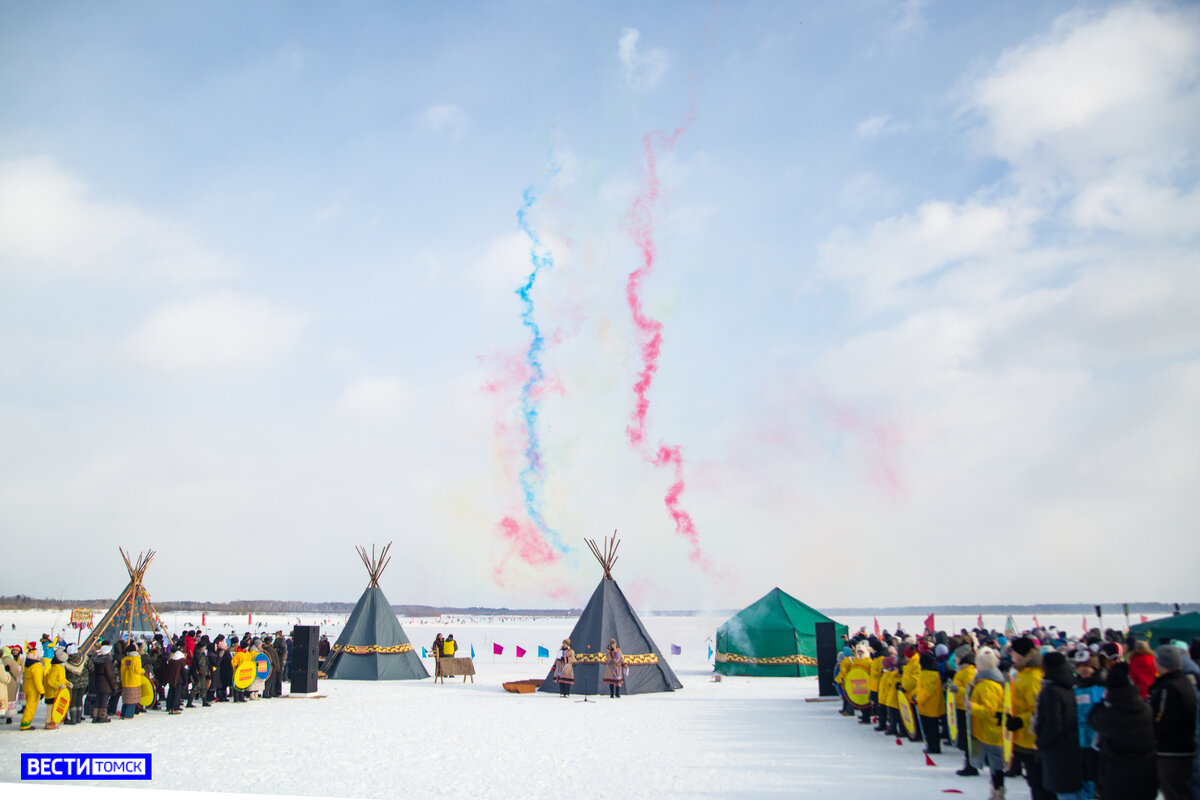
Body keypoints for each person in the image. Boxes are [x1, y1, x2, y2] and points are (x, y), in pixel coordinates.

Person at [1088, 662, 1157, 800]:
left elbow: (1092, 720)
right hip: (1146, 773)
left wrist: (1101, 702)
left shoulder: (1109, 715)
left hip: (1117, 777)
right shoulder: (1145, 709)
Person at [1149, 643, 1198, 800]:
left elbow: (1163, 721)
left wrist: (1153, 734)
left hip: (1171, 751)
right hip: (1185, 748)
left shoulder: (1168, 687)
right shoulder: (1186, 683)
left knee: (1174, 792)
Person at [1007, 637, 1051, 799]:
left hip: (1031, 739)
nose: (1011, 655)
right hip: (1022, 737)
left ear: (1021, 653)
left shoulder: (1033, 676)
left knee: (1039, 784)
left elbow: (1038, 710)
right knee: (1034, 783)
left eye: (1013, 652)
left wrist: (1019, 720)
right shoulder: (1022, 672)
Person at [1034, 651, 1082, 799]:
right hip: (1071, 745)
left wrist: (1041, 742)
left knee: (1064, 791)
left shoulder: (1052, 690)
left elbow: (1053, 723)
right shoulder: (1068, 685)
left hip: (1057, 749)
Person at [967, 648, 1007, 800]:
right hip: (989, 730)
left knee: (996, 765)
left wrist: (972, 706)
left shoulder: (988, 685)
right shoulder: (988, 682)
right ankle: (996, 791)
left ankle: (998, 793)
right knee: (994, 765)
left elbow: (989, 710)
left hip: (991, 731)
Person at [914, 651, 945, 753]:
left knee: (931, 728)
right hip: (932, 706)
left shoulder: (928, 674)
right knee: (932, 728)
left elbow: (927, 690)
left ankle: (934, 747)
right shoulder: (933, 673)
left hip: (929, 706)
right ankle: (932, 746)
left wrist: (918, 700)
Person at [63, 643, 92, 725]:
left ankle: (73, 718)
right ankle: (79, 717)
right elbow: (91, 668)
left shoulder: (66, 661)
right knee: (80, 700)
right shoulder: (84, 658)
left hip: (72, 684)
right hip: (83, 683)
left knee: (73, 701)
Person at [91, 643, 116, 723]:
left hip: (98, 683)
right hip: (105, 684)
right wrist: (114, 686)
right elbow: (110, 675)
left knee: (98, 700)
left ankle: (95, 716)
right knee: (104, 701)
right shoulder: (107, 662)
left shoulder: (97, 660)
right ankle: (102, 717)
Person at [119, 643, 145, 719]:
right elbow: (137, 669)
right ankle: (128, 715)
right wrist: (142, 670)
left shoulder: (125, 659)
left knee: (126, 699)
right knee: (132, 700)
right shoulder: (136, 659)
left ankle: (123, 714)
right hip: (134, 681)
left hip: (125, 681)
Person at [2, 645, 21, 725]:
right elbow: (17, 671)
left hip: (4, 683)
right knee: (11, 698)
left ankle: (3, 713)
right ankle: (9, 717)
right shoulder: (12, 660)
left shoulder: (3, 661)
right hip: (12, 682)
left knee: (3, 698)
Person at [164, 649, 185, 714]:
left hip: (171, 679)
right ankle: (174, 708)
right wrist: (185, 681)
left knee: (170, 693)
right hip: (178, 680)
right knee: (177, 694)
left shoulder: (171, 661)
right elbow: (184, 672)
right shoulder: (182, 661)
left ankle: (169, 707)